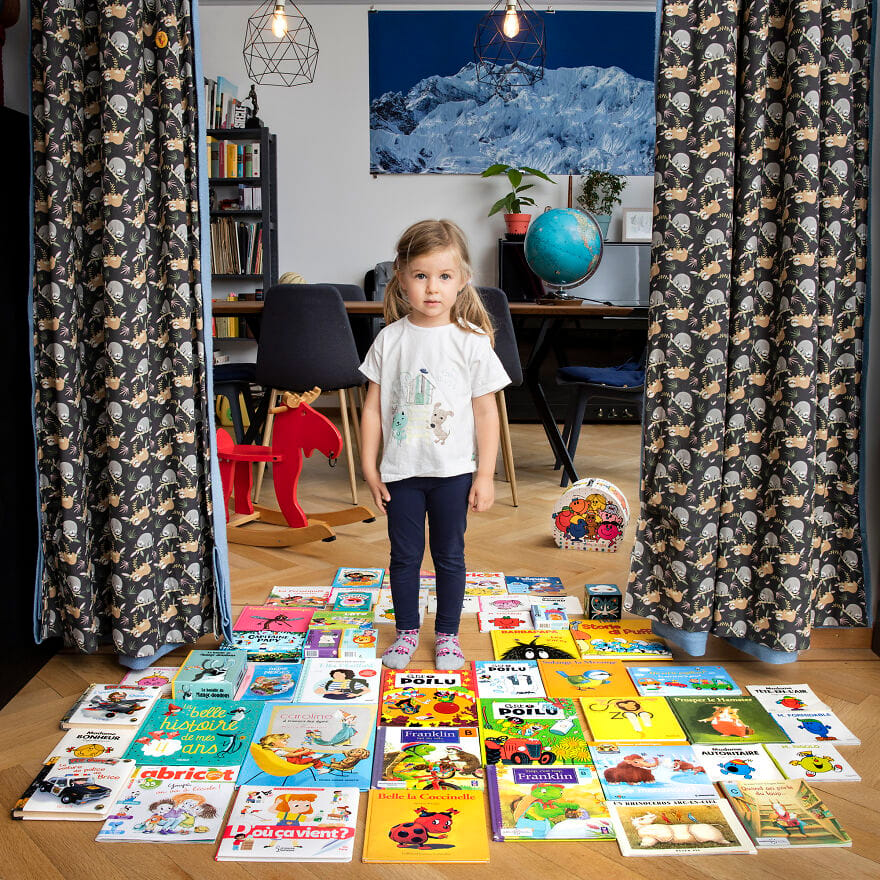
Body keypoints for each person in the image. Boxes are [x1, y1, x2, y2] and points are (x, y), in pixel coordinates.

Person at [359, 219, 510, 671]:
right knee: (403, 556)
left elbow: (487, 413)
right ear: (400, 277)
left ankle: (447, 635)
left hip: (453, 473)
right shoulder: (390, 339)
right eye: (421, 275)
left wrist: (485, 474)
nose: (432, 288)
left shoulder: (473, 342)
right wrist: (369, 466)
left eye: (444, 276)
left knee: (450, 556)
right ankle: (406, 631)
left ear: (463, 279)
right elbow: (371, 410)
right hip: (400, 473)